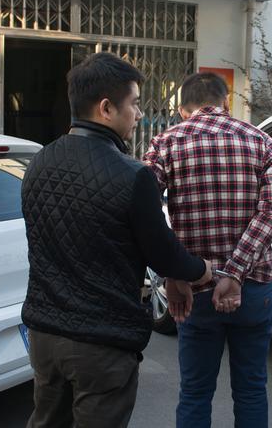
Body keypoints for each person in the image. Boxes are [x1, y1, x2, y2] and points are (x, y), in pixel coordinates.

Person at [21, 52, 212, 428]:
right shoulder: (132, 176)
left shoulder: (39, 163)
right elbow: (163, 254)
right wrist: (201, 269)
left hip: (44, 336)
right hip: (101, 342)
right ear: (106, 108)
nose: (139, 114)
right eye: (135, 104)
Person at [143, 72, 272, 428]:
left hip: (194, 289)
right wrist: (234, 273)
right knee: (252, 390)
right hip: (253, 288)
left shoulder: (165, 143)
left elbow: (143, 214)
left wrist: (174, 271)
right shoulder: (260, 140)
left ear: (182, 110)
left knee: (195, 392)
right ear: (227, 103)